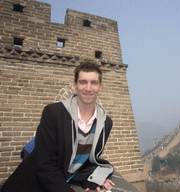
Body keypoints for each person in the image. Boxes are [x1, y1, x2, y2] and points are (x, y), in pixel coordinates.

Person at [1, 60, 115, 192]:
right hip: (31, 183)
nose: (88, 88)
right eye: (83, 82)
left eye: (94, 83)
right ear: (75, 85)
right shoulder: (54, 113)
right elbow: (44, 164)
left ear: (100, 86)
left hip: (62, 182)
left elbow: (87, 160)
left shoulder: (105, 123)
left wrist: (96, 178)